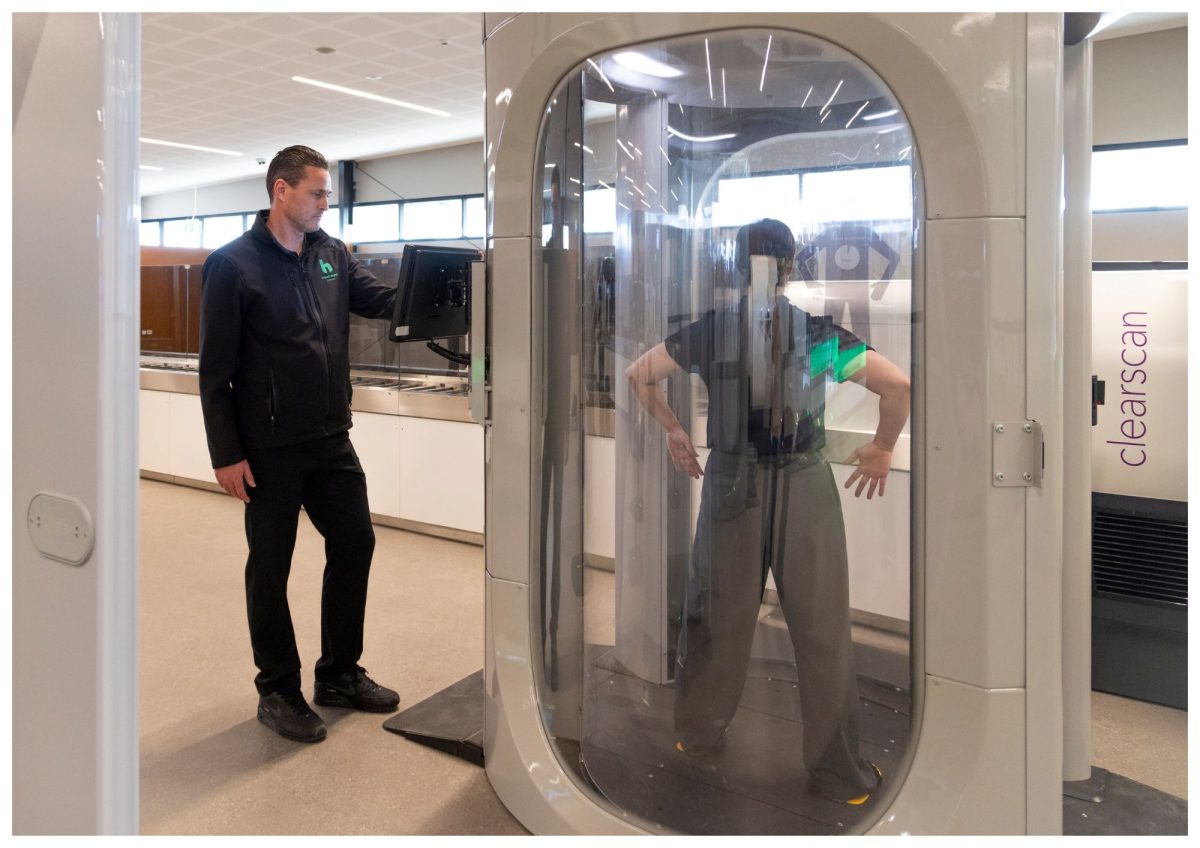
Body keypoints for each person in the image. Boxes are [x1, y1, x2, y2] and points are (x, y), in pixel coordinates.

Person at [625, 218, 910, 804]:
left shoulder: (710, 331)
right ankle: (839, 773)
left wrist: (675, 430)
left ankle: (696, 737)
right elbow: (898, 386)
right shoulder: (814, 333)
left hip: (732, 483)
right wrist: (882, 448)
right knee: (822, 627)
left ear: (736, 263)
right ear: (790, 267)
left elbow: (638, 375)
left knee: (718, 617)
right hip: (802, 482)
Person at [199, 145, 401, 744]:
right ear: (280, 190)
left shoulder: (331, 255)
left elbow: (380, 301)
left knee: (355, 542)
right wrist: (226, 452)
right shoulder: (232, 265)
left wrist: (451, 288)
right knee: (271, 567)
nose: (324, 204)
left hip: (330, 437)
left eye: (327, 196)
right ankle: (278, 690)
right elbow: (215, 372)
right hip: (267, 448)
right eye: (317, 193)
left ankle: (338, 673)